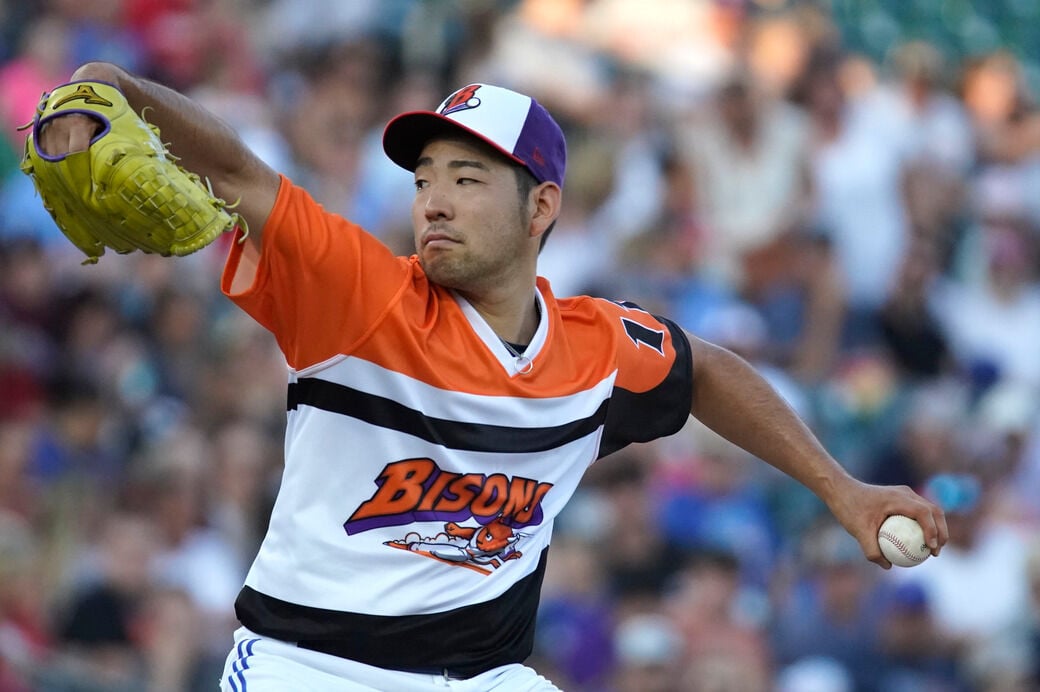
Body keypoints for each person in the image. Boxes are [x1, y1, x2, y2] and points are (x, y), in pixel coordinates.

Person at [34, 61, 948, 691]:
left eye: (468, 178)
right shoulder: (359, 296)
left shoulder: (594, 349)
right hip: (311, 669)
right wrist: (115, 88)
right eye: (426, 176)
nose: (432, 198)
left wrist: (843, 489)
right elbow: (240, 171)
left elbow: (705, 369)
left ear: (542, 205)